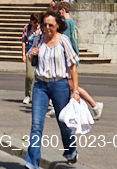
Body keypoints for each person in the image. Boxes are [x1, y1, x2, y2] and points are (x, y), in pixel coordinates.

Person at [24, 9, 80, 169]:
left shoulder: (63, 41)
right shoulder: (39, 40)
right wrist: (32, 54)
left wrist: (75, 91)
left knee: (63, 122)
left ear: (57, 26)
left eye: (51, 25)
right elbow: (31, 57)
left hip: (59, 85)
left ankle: (71, 151)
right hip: (40, 85)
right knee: (36, 125)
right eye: (45, 25)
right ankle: (32, 162)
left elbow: (73, 67)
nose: (47, 28)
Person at [55, 2, 102, 119]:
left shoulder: (66, 24)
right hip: (73, 56)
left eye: (58, 11)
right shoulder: (73, 22)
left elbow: (64, 41)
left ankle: (95, 105)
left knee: (72, 86)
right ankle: (60, 107)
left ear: (62, 10)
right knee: (66, 84)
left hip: (68, 58)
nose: (58, 14)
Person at [21, 13, 41, 105]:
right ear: (31, 21)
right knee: (29, 75)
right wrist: (23, 54)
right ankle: (27, 95)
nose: (36, 24)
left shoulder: (42, 28)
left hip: (40, 54)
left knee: (41, 77)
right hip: (30, 54)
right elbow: (23, 41)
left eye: (38, 22)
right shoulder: (27, 28)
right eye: (35, 22)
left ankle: (44, 97)